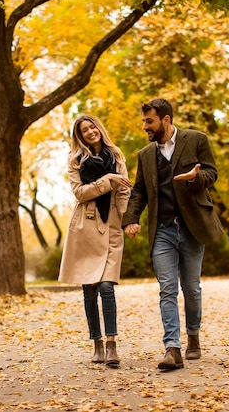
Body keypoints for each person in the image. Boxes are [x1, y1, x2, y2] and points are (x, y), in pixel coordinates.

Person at [122, 98, 224, 370]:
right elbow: (139, 191)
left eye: (149, 121)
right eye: (144, 121)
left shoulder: (197, 140)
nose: (145, 126)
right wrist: (130, 219)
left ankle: (193, 336)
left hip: (192, 226)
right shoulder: (145, 155)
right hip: (163, 230)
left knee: (191, 288)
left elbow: (212, 173)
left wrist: (194, 177)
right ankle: (172, 348)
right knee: (167, 288)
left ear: (165, 120)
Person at [58, 114, 132, 368]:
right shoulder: (76, 159)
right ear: (79, 136)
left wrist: (127, 219)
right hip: (85, 225)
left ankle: (112, 345)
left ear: (99, 128)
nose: (90, 132)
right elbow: (80, 193)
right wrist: (107, 180)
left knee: (107, 287)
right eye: (84, 130)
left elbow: (124, 190)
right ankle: (97, 344)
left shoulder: (116, 154)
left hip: (111, 225)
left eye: (92, 127)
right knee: (89, 289)